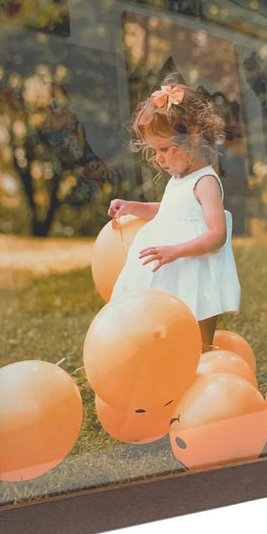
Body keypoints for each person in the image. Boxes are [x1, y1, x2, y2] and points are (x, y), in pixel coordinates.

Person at [109, 74, 241, 349]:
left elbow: (217, 234)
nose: (158, 159)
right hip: (175, 268)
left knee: (198, 339)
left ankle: (205, 357)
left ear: (192, 138)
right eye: (154, 150)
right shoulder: (180, 179)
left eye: (164, 149)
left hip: (196, 270)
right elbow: (169, 212)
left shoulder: (205, 182)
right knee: (171, 334)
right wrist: (132, 207)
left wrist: (176, 251)